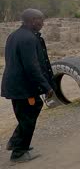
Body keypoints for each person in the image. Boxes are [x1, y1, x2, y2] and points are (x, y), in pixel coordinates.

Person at [1, 9, 56, 163]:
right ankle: (18, 153)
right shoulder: (28, 39)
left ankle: (15, 142)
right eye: (41, 20)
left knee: (26, 114)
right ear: (32, 20)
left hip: (17, 84)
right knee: (28, 117)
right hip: (23, 87)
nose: (43, 23)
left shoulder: (15, 35)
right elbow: (32, 67)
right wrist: (47, 87)